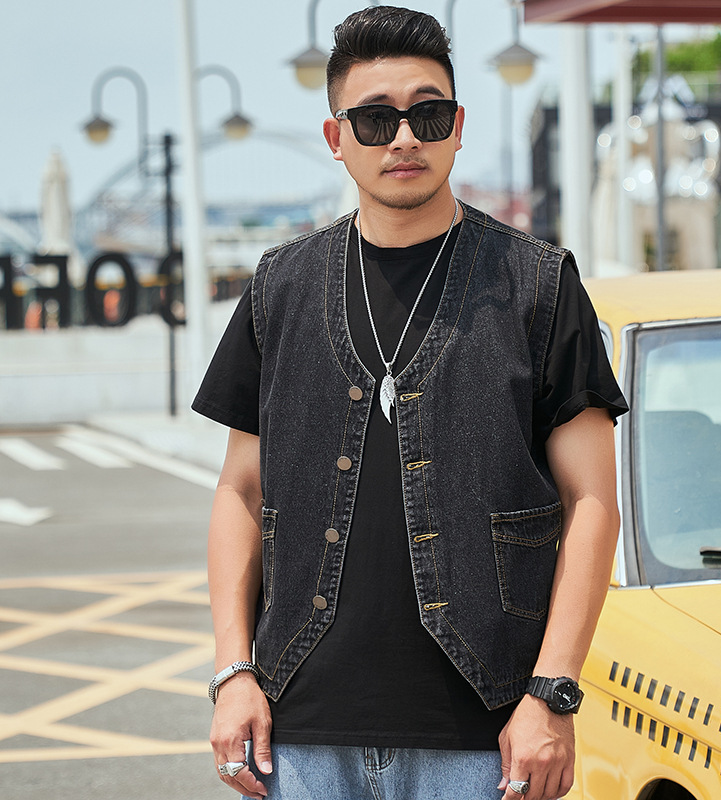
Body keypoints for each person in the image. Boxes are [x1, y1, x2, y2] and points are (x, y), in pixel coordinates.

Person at [192, 6, 627, 800]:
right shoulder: (281, 288)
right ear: (337, 138)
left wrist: (552, 693)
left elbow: (593, 501)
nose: (403, 138)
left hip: (485, 732)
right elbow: (240, 492)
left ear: (457, 128)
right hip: (302, 731)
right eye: (375, 119)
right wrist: (233, 672)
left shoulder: (536, 284)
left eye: (427, 115)